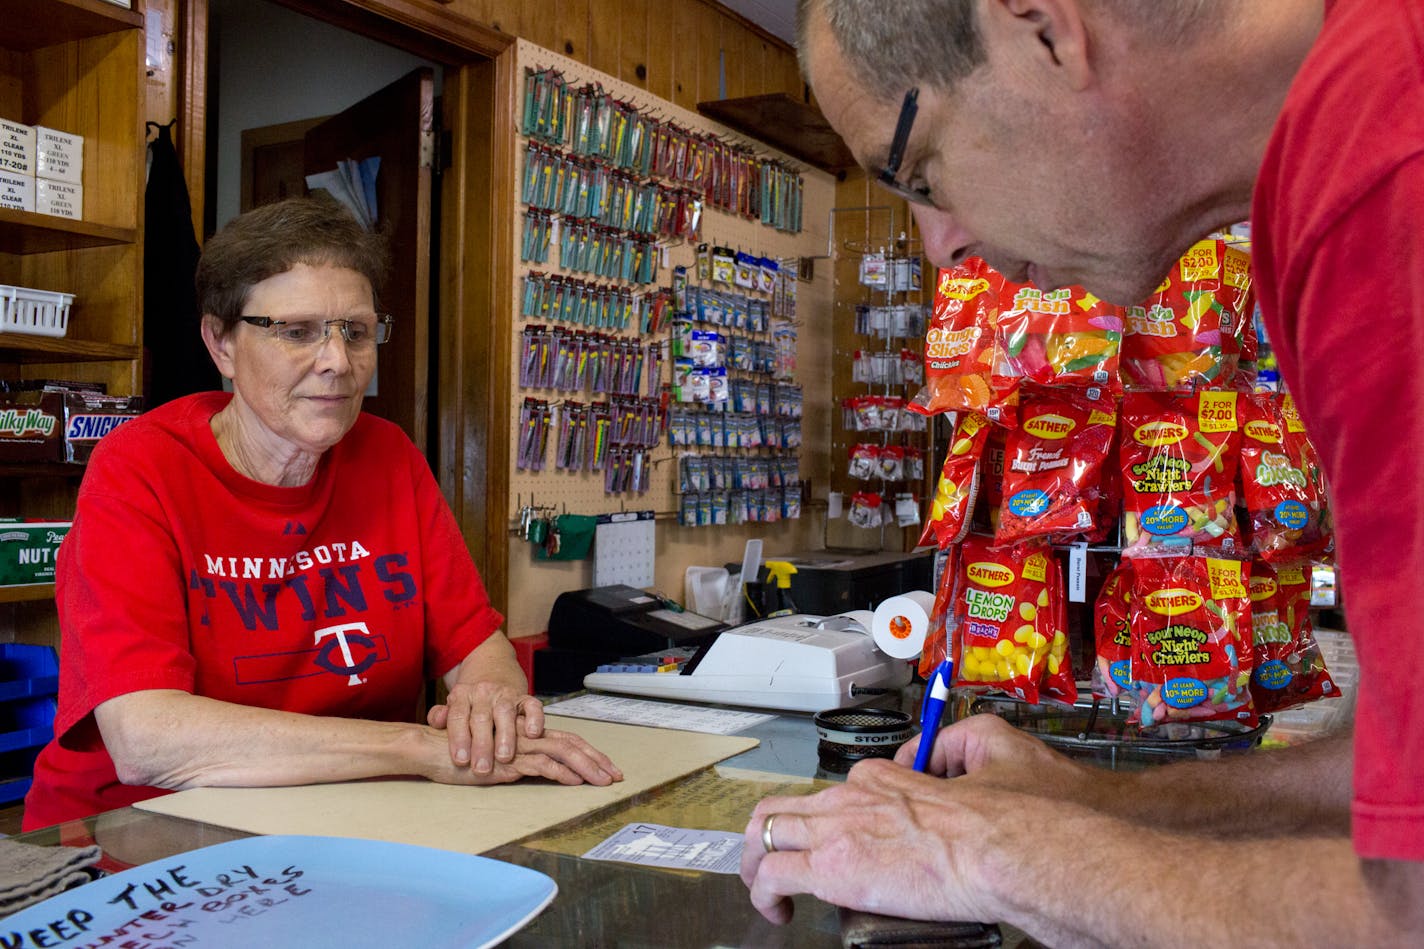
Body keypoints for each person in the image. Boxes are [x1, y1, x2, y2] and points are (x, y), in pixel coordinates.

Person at [742, 1, 1423, 944]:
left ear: (1045, 30)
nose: (942, 247)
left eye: (921, 169)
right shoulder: (1340, 144)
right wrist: (1093, 806)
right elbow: (1398, 790)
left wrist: (988, 858)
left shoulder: (1386, 180)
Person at [24, 196, 621, 831]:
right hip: (134, 832)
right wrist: (417, 748)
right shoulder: (140, 468)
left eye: (357, 331)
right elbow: (146, 738)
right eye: (298, 331)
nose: (338, 361)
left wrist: (491, 700)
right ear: (220, 343)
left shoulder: (388, 455)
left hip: (337, 816)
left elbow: (475, 643)